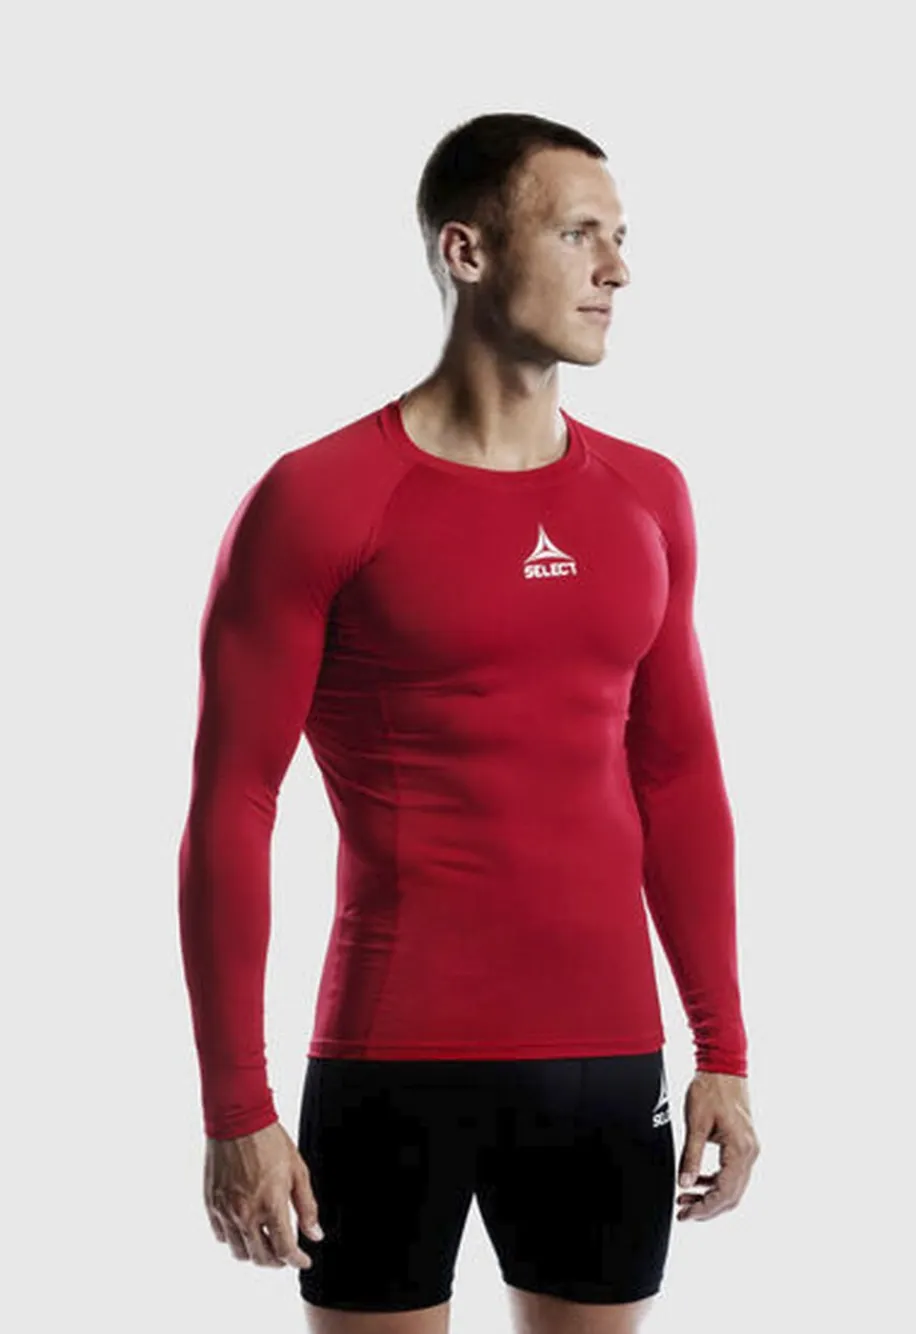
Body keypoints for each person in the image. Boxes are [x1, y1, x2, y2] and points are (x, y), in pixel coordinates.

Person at [178, 111, 760, 1334]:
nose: (617, 269)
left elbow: (678, 776)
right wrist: (237, 1108)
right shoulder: (321, 497)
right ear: (468, 250)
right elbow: (233, 803)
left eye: (622, 236)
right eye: (578, 233)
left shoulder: (648, 493)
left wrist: (723, 1047)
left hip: (608, 1065)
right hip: (393, 1059)